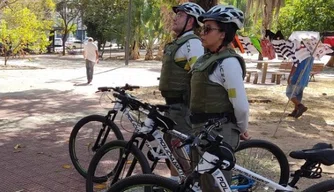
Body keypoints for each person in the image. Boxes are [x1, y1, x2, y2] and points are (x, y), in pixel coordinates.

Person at [189, 5, 250, 191]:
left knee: (215, 187)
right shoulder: (206, 59)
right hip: (202, 130)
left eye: (208, 29)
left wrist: (242, 128)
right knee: (202, 183)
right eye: (202, 29)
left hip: (219, 133)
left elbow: (240, 104)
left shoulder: (228, 63)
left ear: (223, 34)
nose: (202, 33)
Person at [158, 2, 205, 182]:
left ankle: (188, 185)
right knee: (172, 153)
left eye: (180, 15)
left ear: (191, 21)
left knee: (182, 154)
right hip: (172, 107)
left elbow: (199, 77)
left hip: (183, 109)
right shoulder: (179, 42)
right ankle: (176, 184)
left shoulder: (192, 43)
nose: (175, 18)